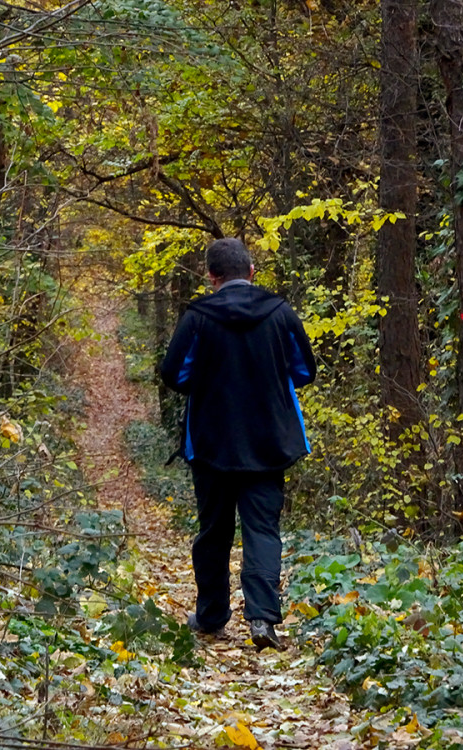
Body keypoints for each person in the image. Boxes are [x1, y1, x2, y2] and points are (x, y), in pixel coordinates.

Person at [161, 237, 316, 650]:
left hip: (211, 442)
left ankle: (211, 617)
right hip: (269, 440)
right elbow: (305, 370)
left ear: (211, 277)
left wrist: (208, 383)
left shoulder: (197, 317)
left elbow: (172, 374)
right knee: (263, 529)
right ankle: (263, 619)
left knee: (213, 531)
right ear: (251, 271)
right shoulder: (280, 312)